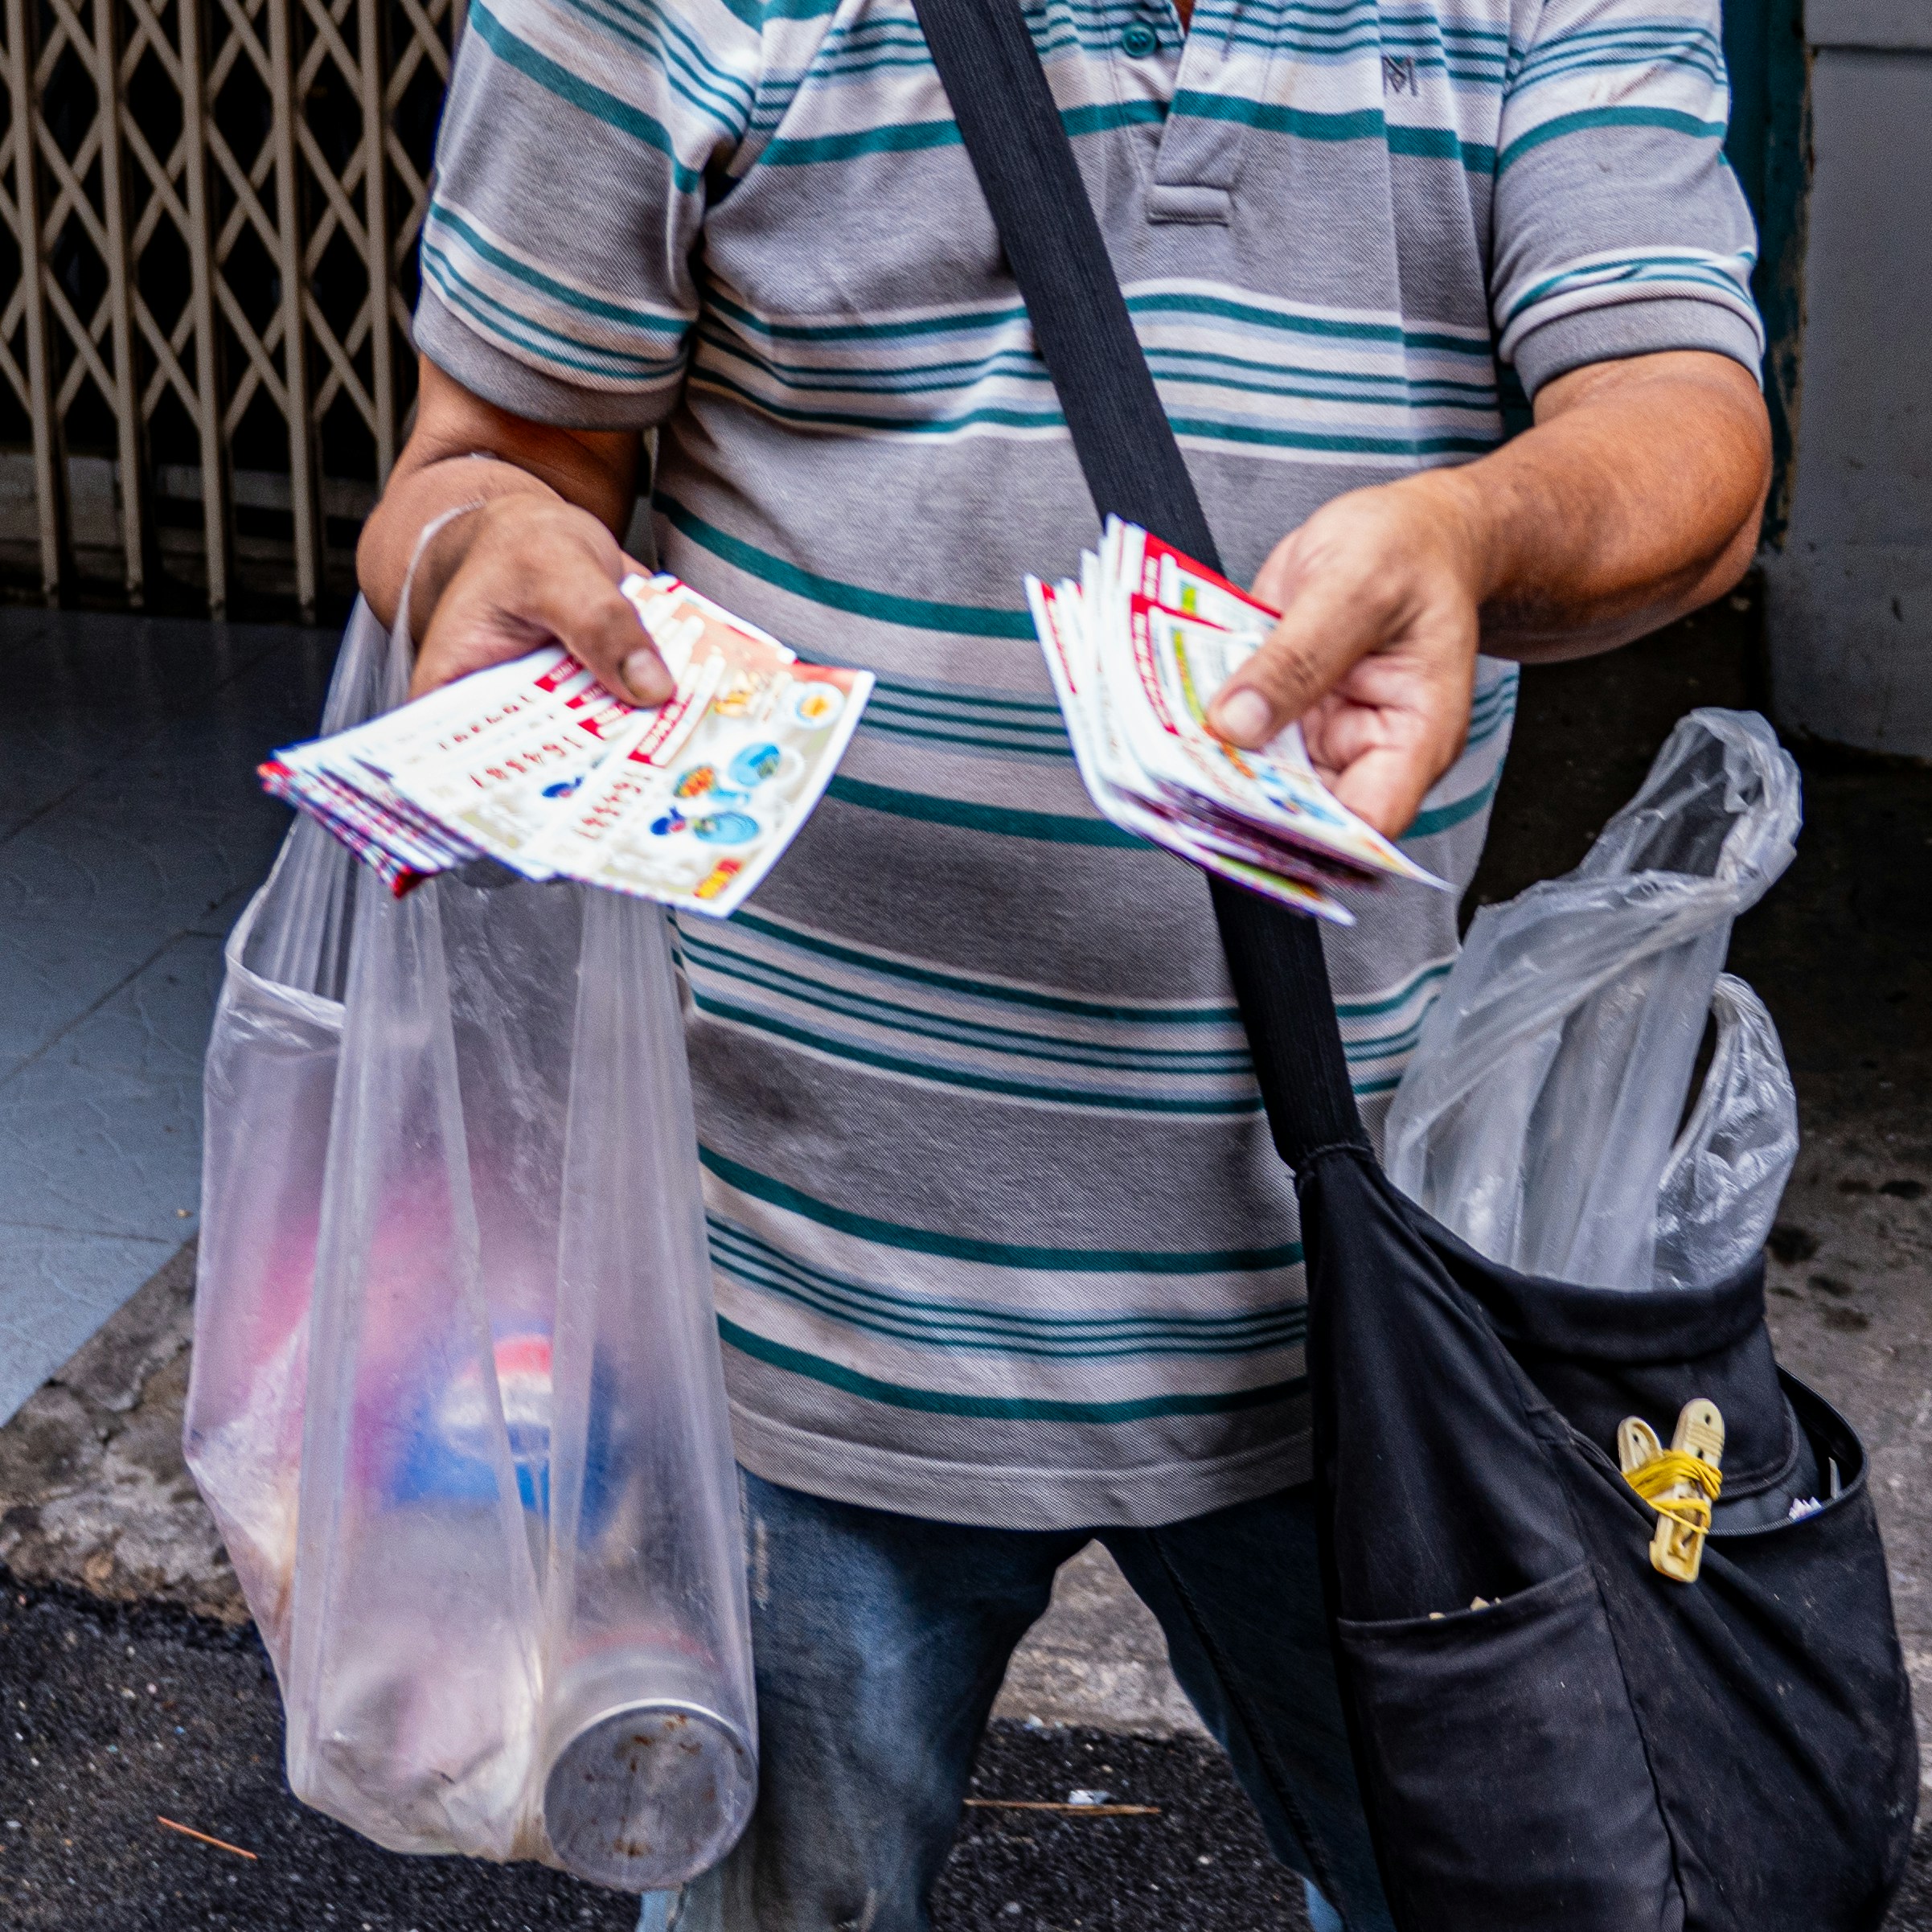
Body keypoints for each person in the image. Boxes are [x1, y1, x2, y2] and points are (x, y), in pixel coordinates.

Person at [356, 0, 1771, 1921]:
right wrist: (468, 550)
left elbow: (1681, 430)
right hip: (792, 1299)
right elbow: (492, 449)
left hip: (1352, 1312)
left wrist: (1472, 525)